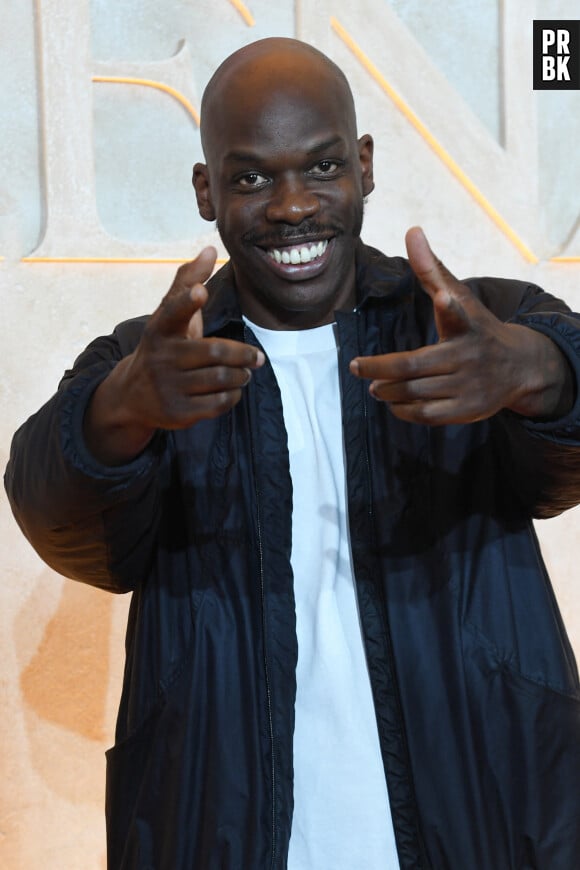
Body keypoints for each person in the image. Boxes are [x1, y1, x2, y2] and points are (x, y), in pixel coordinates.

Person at [5, 36, 580, 870]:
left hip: (487, 813)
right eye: (250, 178)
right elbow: (58, 520)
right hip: (224, 827)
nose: (292, 206)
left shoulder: (468, 326)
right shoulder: (155, 359)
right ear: (206, 190)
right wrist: (120, 409)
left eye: (321, 168)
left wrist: (538, 369)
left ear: (365, 166)